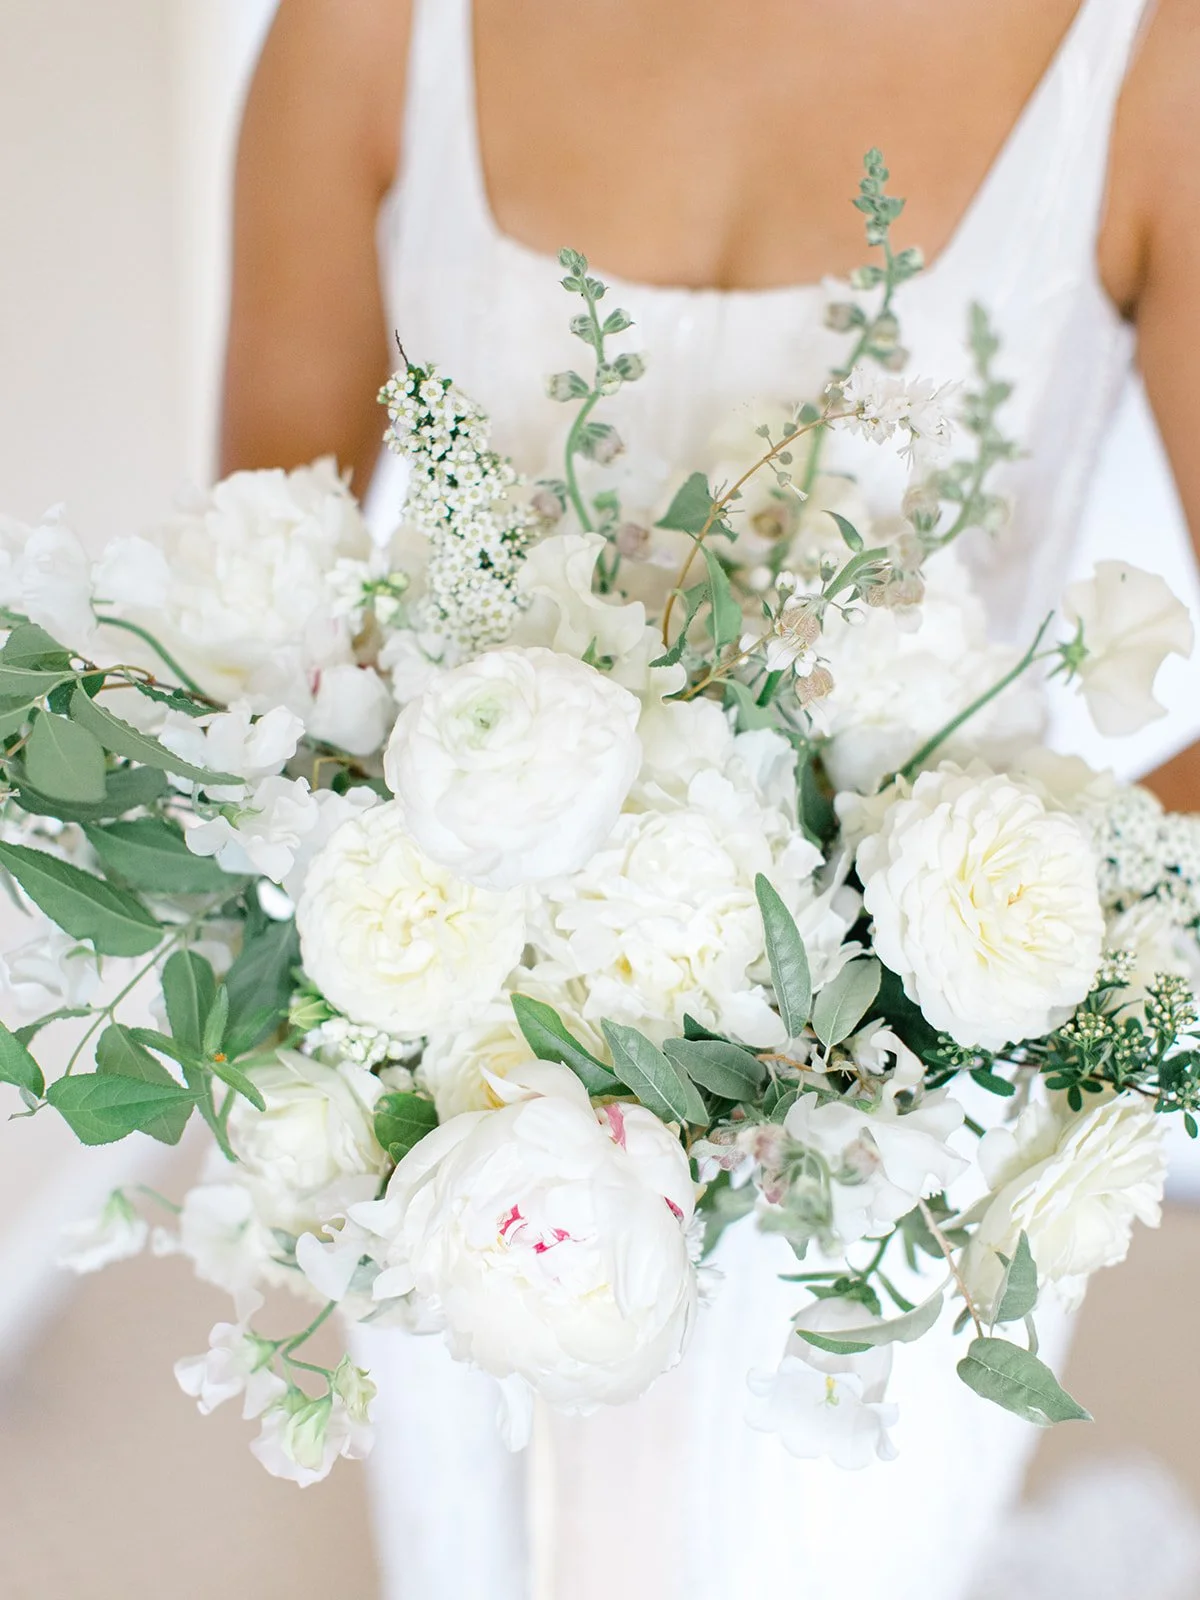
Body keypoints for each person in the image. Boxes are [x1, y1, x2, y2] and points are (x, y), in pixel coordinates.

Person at [220, 3, 1199, 1596]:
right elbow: (259, 634)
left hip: (897, 1115)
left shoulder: (1152, 57)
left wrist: (994, 910)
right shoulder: (368, 29)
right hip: (460, 1084)